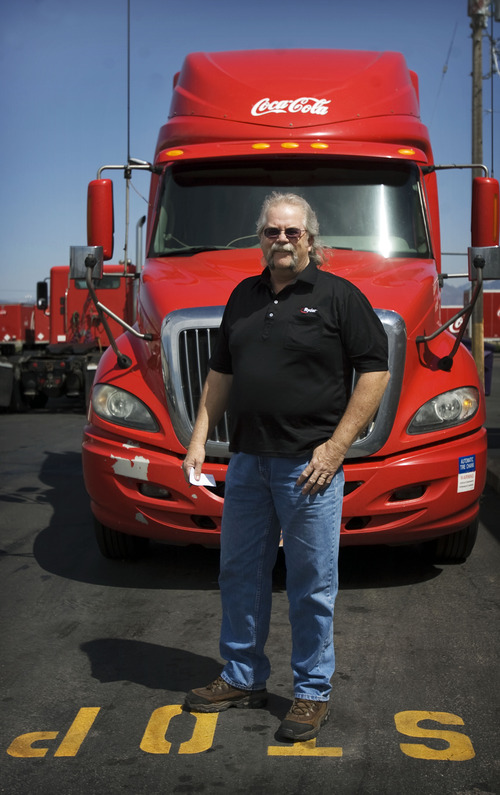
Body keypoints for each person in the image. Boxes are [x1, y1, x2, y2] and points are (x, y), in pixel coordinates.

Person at [181, 192, 390, 741]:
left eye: (292, 232)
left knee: (311, 583)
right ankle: (242, 676)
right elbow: (220, 374)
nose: (282, 240)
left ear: (310, 238)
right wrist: (200, 440)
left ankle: (311, 691)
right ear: (260, 237)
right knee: (240, 575)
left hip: (310, 466)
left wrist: (336, 448)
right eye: (272, 231)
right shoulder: (242, 297)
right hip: (248, 462)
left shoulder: (339, 296)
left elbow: (374, 372)